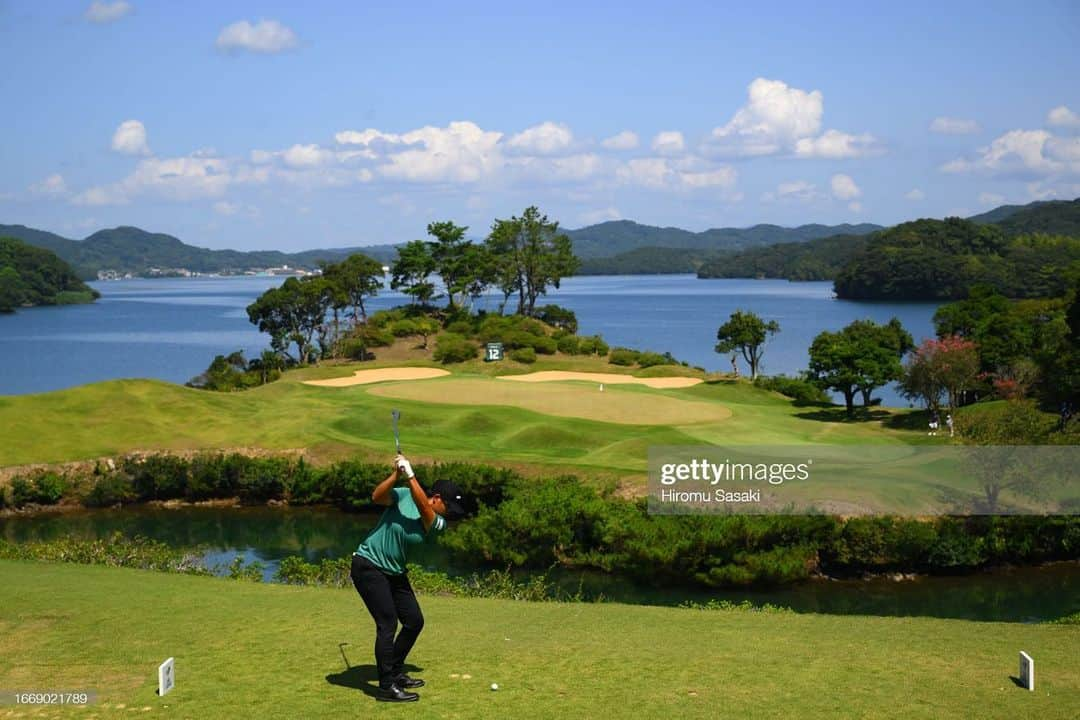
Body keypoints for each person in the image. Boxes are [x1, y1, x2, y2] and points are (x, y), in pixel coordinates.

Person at [350, 454, 467, 703]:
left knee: (414, 621)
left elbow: (423, 508)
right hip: (368, 565)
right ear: (437, 498)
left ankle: (393, 671)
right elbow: (377, 497)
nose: (452, 515)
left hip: (394, 571)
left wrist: (412, 474)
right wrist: (396, 475)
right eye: (450, 508)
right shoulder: (403, 494)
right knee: (387, 624)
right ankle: (385, 687)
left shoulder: (437, 522)